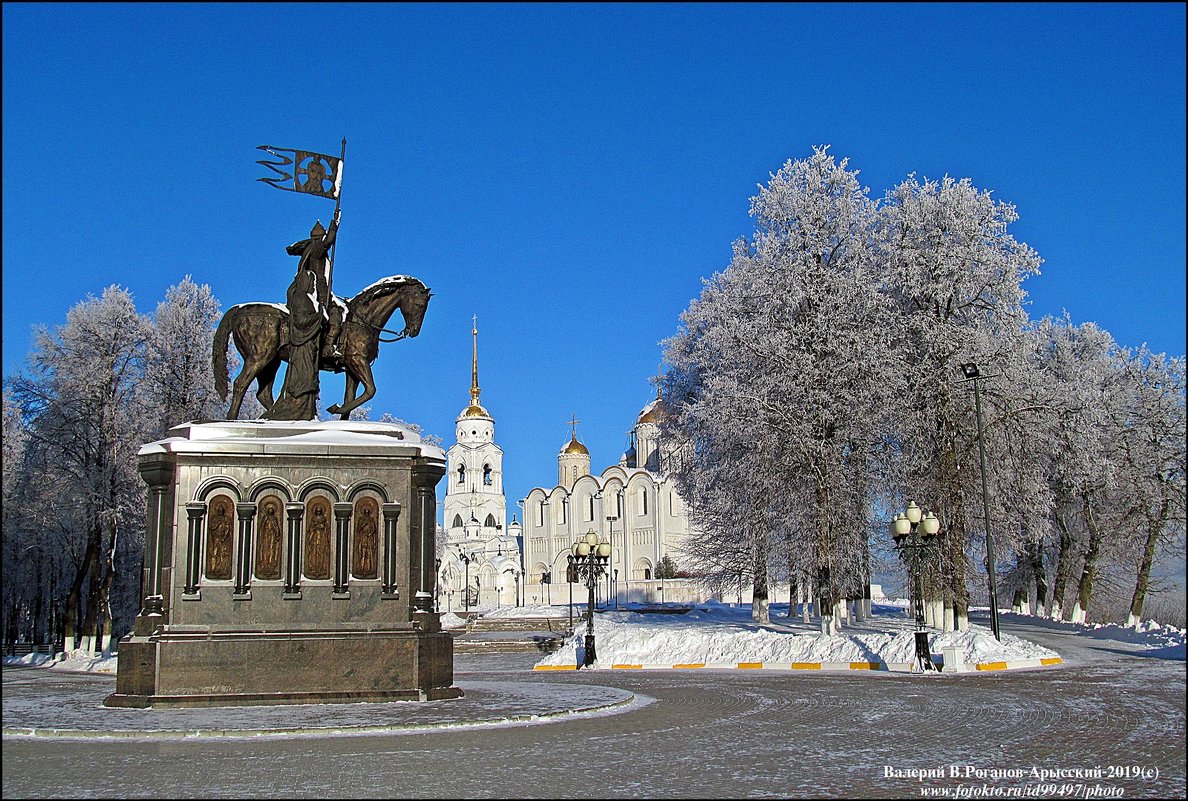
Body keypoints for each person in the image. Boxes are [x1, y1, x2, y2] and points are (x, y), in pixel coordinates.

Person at [263, 210, 339, 420]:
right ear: (319, 238)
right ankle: (330, 346)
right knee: (336, 315)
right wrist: (335, 223)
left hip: (318, 291)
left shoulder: (311, 249)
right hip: (319, 293)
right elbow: (329, 241)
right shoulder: (316, 249)